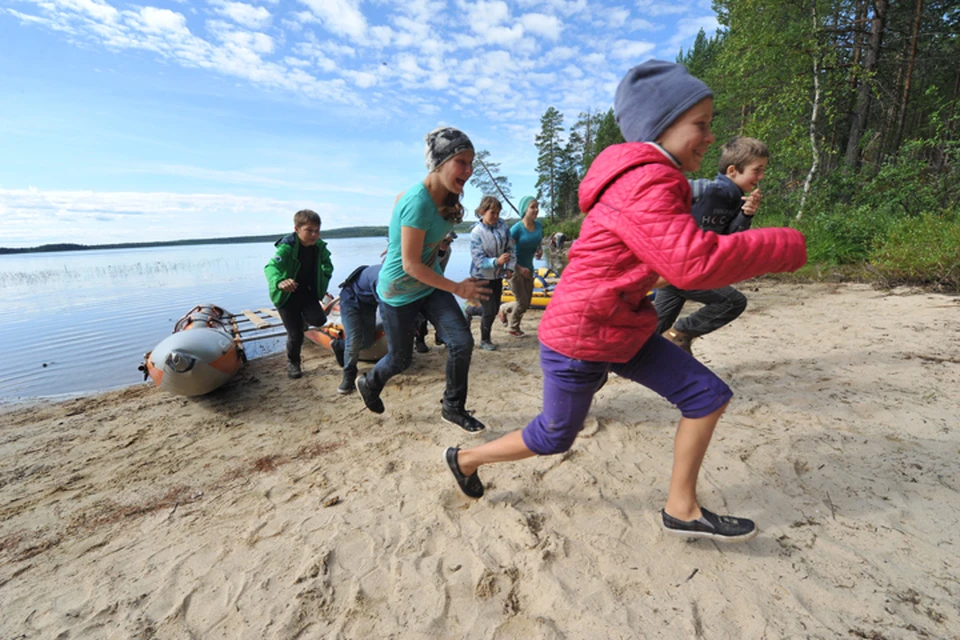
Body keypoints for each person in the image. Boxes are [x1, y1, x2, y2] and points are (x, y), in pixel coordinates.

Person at [443, 60, 806, 542]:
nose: (707, 136)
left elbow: (676, 253)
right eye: (699, 124)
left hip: (621, 327)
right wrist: (785, 245)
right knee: (554, 436)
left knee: (706, 396)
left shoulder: (654, 178)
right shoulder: (645, 180)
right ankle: (464, 458)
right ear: (664, 124)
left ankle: (682, 507)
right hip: (580, 333)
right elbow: (690, 264)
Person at [356, 127, 491, 432]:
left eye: (472, 163)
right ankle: (369, 382)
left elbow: (399, 201)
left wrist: (415, 241)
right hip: (399, 291)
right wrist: (458, 287)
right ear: (439, 163)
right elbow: (411, 265)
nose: (469, 171)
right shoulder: (417, 201)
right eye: (462, 162)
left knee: (461, 342)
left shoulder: (448, 194)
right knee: (400, 360)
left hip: (429, 285)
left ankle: (453, 408)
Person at [654, 136, 768, 355]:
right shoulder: (708, 190)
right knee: (732, 302)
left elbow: (731, 241)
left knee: (648, 334)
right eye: (757, 170)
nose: (761, 177)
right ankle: (678, 335)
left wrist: (746, 215)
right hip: (679, 268)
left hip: (683, 273)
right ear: (733, 170)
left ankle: (597, 365)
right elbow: (666, 191)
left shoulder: (737, 200)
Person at [264, 209, 334, 379]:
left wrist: (322, 278)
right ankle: (293, 362)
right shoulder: (286, 247)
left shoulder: (319, 247)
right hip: (287, 296)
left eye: (317, 230)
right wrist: (280, 281)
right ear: (297, 229)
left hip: (307, 292)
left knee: (319, 320)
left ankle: (302, 321)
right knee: (295, 335)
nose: (314, 235)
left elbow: (328, 265)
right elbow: (271, 267)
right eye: (309, 230)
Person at [469, 196, 516, 351]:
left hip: (497, 276)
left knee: (494, 308)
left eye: (498, 213)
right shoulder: (476, 233)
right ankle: (485, 340)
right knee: (490, 310)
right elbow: (478, 260)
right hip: (481, 277)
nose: (496, 216)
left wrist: (509, 267)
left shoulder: (503, 226)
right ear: (482, 211)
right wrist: (497, 262)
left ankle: (471, 310)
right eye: (492, 213)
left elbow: (510, 249)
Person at [331, 264, 381, 395]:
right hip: (350, 299)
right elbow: (388, 311)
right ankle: (349, 375)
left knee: (367, 342)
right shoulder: (383, 279)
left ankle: (339, 345)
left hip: (368, 304)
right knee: (354, 340)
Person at [498, 196, 543, 337]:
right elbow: (507, 250)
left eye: (537, 206)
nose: (536, 210)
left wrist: (539, 250)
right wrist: (518, 268)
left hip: (529, 267)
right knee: (522, 302)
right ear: (525, 209)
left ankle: (504, 308)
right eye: (532, 207)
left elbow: (537, 240)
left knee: (526, 301)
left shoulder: (539, 226)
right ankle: (513, 327)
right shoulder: (516, 229)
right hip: (514, 269)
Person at [415, 231, 457, 352]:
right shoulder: (426, 250)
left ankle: (440, 336)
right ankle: (420, 340)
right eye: (444, 241)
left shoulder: (447, 252)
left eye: (450, 242)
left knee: (441, 310)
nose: (447, 244)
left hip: (433, 281)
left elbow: (441, 270)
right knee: (420, 316)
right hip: (417, 283)